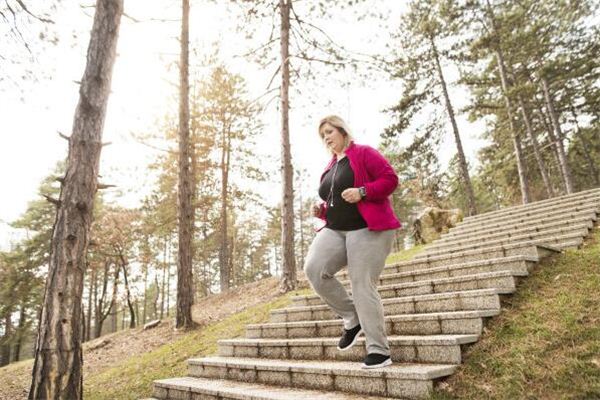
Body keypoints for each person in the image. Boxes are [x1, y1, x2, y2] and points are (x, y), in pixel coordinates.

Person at [303, 114, 401, 369]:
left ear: (343, 131)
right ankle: (351, 316)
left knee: (361, 285)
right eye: (322, 135)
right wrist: (321, 210)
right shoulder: (331, 165)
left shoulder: (364, 153)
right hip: (336, 229)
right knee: (314, 269)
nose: (326, 138)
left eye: (329, 132)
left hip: (367, 228)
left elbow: (390, 179)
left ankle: (379, 350)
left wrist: (363, 192)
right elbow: (336, 200)